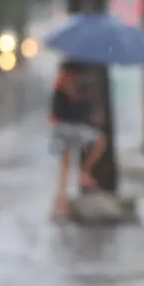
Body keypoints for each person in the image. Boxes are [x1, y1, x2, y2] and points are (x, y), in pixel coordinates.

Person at [49, 67, 106, 216]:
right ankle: (62, 197)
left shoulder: (83, 88)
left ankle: (83, 173)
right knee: (66, 162)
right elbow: (56, 113)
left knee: (99, 141)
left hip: (77, 127)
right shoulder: (60, 92)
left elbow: (85, 110)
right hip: (64, 128)